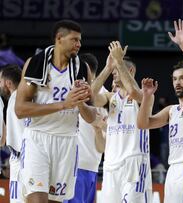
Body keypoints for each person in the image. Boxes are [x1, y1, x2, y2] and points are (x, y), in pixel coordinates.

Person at [15, 20, 96, 203]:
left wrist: (81, 103)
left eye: (80, 40)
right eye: (74, 39)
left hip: (67, 141)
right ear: (59, 38)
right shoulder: (36, 63)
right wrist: (63, 104)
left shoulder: (82, 69)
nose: (79, 44)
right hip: (38, 139)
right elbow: (20, 109)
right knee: (37, 199)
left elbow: (91, 117)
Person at [137, 19, 183, 203]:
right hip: (173, 171)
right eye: (175, 79)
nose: (178, 82)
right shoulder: (171, 111)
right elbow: (143, 123)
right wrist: (146, 97)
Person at [91, 42, 152, 202]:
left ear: (130, 71)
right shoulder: (110, 98)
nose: (114, 74)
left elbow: (132, 91)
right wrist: (108, 67)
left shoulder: (144, 96)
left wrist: (119, 61)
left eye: (117, 71)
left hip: (134, 163)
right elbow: (90, 96)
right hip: (111, 165)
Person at [63, 53, 107, 203]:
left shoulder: (84, 90)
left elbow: (102, 146)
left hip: (84, 166)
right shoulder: (105, 94)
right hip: (86, 165)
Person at [0, 65, 23, 202]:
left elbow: (3, 140)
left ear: (8, 83)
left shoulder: (15, 100)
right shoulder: (27, 98)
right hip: (28, 161)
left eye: (0, 81)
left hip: (21, 162)